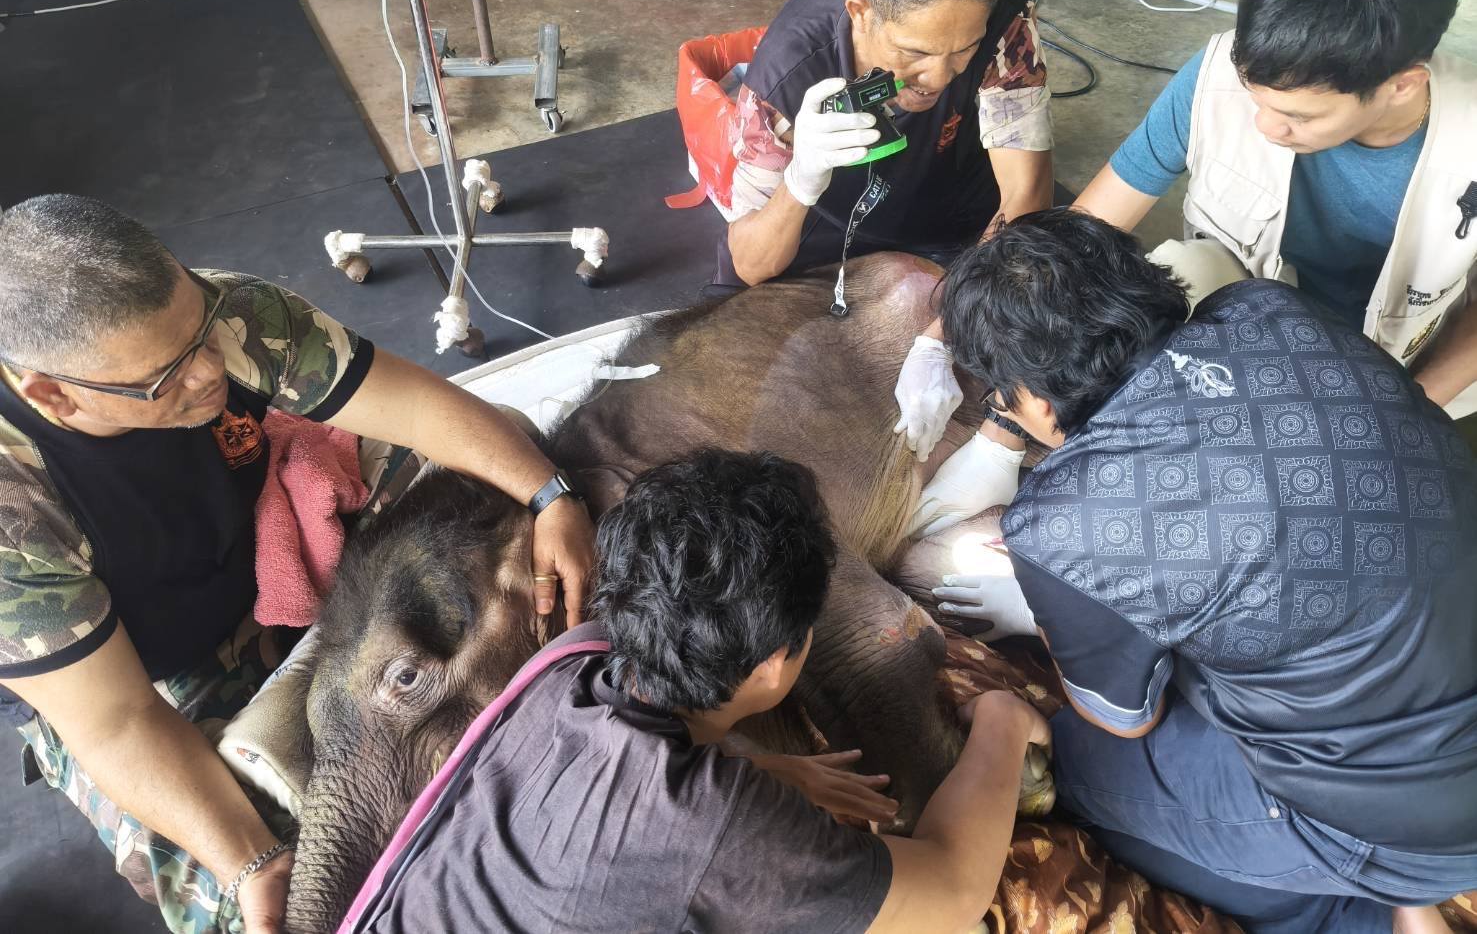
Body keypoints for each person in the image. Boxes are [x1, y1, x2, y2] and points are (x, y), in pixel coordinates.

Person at [0, 195, 596, 934]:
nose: (211, 372)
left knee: (498, 469)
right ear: (52, 395)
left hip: (247, 546)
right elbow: (117, 723)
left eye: (202, 332)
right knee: (257, 901)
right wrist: (250, 862)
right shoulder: (12, 513)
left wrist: (552, 496)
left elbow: (414, 407)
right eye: (168, 376)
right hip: (131, 673)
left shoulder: (217, 316)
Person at [934, 208, 1477, 934]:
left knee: (1084, 772)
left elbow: (1127, 719)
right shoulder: (1268, 308)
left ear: (1030, 398)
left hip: (1416, 820)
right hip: (1438, 682)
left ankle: (1356, 903)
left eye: (1001, 399)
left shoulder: (1062, 523)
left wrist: (1047, 610)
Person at [355, 448, 1050, 934]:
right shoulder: (719, 831)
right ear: (775, 664)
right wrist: (1003, 718)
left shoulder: (571, 660)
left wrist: (772, 774)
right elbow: (954, 892)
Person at [1068, 0, 1477, 426]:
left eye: (1298, 116)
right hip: (1245, 322)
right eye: (1254, 96)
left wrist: (1404, 413)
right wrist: (1009, 422)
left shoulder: (1467, 139)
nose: (1264, 125)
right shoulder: (1215, 75)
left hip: (1405, 360)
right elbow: (1084, 235)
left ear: (1402, 85)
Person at [714, 0, 1053, 297]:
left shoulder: (1004, 19)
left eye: (966, 48)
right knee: (736, 306)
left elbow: (1026, 192)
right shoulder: (791, 70)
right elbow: (750, 263)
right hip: (834, 223)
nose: (939, 77)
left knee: (1035, 283)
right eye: (914, 52)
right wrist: (800, 182)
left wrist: (963, 305)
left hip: (960, 216)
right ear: (860, 14)